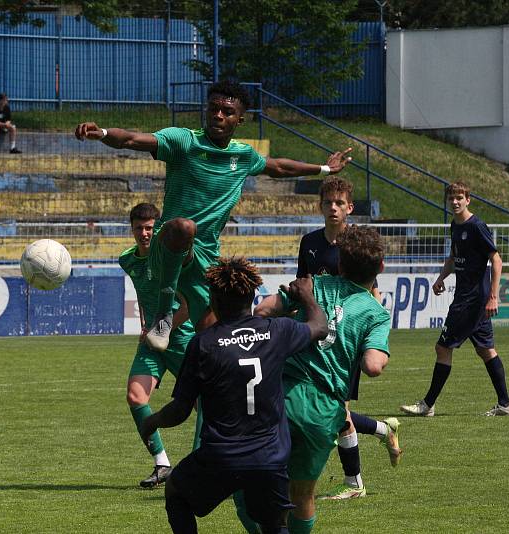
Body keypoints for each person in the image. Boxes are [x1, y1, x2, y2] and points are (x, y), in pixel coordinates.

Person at [74, 80, 351, 353]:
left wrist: (325, 169)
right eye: (213, 108)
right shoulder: (185, 141)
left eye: (227, 111)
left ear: (239, 120)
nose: (218, 114)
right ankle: (163, 313)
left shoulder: (242, 156)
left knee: (214, 341)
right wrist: (103, 132)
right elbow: (133, 139)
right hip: (168, 246)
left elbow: (278, 167)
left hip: (205, 258)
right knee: (184, 227)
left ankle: (206, 396)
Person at [140, 257, 328, 534]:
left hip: (221, 456)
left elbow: (180, 410)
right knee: (274, 526)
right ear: (253, 296)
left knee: (176, 492)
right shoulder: (277, 331)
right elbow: (319, 326)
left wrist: (151, 422)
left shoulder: (203, 344)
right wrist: (307, 297)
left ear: (213, 300)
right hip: (270, 457)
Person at [254, 177, 401, 501]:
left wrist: (364, 325)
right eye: (328, 202)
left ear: (349, 207)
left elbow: (368, 293)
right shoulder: (311, 243)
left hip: (341, 340)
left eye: (339, 203)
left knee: (337, 410)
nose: (333, 208)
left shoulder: (356, 244)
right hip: (315, 336)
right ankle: (372, 446)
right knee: (337, 412)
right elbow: (301, 286)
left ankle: (353, 479)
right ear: (320, 206)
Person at [400, 181, 509, 417]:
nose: (454, 201)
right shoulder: (455, 225)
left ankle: (427, 405)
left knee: (442, 347)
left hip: (471, 300)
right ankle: (505, 404)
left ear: (468, 200)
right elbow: (454, 258)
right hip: (470, 298)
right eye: (451, 197)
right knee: (486, 350)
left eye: (459, 197)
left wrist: (493, 296)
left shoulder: (476, 226)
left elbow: (496, 260)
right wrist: (441, 277)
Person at [120, 202, 195, 488]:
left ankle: (215, 467)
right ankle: (162, 463)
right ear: (131, 229)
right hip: (152, 340)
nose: (144, 233)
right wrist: (145, 326)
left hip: (182, 338)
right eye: (139, 228)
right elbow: (142, 294)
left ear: (159, 229)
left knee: (207, 405)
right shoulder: (127, 260)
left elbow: (188, 307)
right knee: (136, 397)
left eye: (150, 228)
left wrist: (160, 329)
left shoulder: (172, 258)